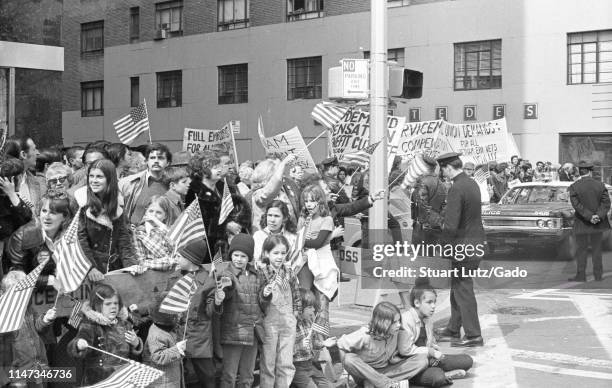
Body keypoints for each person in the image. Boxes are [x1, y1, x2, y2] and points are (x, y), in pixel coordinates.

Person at [435, 152, 484, 347]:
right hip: (475, 242)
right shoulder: (471, 183)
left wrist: (443, 247)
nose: (442, 173)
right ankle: (453, 329)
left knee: (463, 289)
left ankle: (473, 335)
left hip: (463, 246)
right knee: (458, 287)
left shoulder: (456, 188)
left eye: (442, 169)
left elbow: (451, 225)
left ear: (448, 168)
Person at [333, 301, 428, 388]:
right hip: (364, 372)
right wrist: (345, 373)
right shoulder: (364, 334)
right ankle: (386, 384)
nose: (398, 325)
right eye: (394, 322)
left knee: (422, 360)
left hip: (385, 370)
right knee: (349, 358)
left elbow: (407, 349)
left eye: (399, 321)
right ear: (383, 323)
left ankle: (374, 383)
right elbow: (341, 344)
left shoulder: (398, 332)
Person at [68, 283, 143, 386]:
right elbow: (76, 344)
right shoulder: (90, 325)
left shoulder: (125, 324)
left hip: (123, 379)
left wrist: (136, 343)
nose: (113, 307)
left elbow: (132, 353)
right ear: (98, 305)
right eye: (108, 304)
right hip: (99, 380)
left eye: (115, 303)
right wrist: (78, 344)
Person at [214, 234, 263, 388]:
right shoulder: (226, 273)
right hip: (233, 333)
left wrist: (267, 295)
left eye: (243, 256)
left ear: (249, 257)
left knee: (247, 376)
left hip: (253, 332)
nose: (239, 259)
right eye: (235, 255)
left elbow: (262, 301)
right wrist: (226, 286)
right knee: (229, 376)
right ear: (230, 254)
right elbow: (227, 290)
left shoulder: (256, 275)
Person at [402, 283, 473, 387]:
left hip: (430, 360)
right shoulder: (406, 320)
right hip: (413, 366)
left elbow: (430, 342)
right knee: (437, 378)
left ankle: (442, 373)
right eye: (429, 302)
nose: (433, 306)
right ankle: (443, 375)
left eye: (434, 302)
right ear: (417, 303)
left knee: (467, 360)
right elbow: (405, 350)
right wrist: (431, 352)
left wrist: (435, 348)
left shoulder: (428, 320)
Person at [78, 159, 138, 280]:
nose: (94, 181)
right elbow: (80, 240)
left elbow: (123, 239)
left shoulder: (117, 204)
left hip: (113, 267)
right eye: (91, 176)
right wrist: (90, 268)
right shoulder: (80, 201)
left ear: (110, 179)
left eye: (99, 177)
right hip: (88, 269)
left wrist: (131, 266)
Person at [7, 192, 73, 291]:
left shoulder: (72, 234)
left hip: (62, 296)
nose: (46, 217)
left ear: (65, 216)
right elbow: (14, 279)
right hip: (31, 297)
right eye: (44, 211)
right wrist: (49, 280)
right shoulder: (22, 236)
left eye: (53, 213)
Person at [2, 271, 57, 388]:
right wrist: (5, 380)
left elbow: (38, 327)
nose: (28, 294)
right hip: (17, 377)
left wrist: (45, 319)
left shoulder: (28, 309)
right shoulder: (3, 316)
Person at [259, 235, 302, 387]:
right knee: (268, 363)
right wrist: (265, 293)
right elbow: (259, 300)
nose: (280, 257)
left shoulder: (289, 272)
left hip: (288, 322)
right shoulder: (262, 273)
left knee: (286, 364)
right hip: (269, 324)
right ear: (266, 253)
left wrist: (295, 315)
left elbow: (297, 296)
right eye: (275, 253)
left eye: (283, 253)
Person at [175, 240, 218, 388]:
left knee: (207, 376)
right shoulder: (176, 277)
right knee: (180, 376)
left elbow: (210, 311)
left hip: (199, 337)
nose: (176, 259)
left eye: (179, 256)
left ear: (190, 259)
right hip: (178, 335)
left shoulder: (207, 280)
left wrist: (217, 300)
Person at [568, 161, 611, 282]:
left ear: (579, 172)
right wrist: (597, 216)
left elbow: (577, 205)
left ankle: (581, 275)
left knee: (581, 249)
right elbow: (606, 203)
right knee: (597, 249)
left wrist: (589, 216)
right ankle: (598, 275)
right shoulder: (600, 185)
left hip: (582, 222)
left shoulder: (574, 186)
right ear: (590, 171)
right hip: (598, 223)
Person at [120, 143, 171, 226]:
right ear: (147, 161)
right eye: (152, 158)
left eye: (161, 158)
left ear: (168, 162)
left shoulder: (174, 184)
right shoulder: (128, 183)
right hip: (133, 234)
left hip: (163, 235)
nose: (156, 161)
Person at [143, 292, 187, 388]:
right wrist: (177, 349)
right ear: (166, 314)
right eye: (176, 312)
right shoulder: (156, 334)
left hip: (173, 376)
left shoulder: (168, 327)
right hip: (163, 382)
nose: (180, 314)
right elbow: (158, 356)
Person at [292, 288, 333, 388]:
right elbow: (284, 351)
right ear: (300, 308)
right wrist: (300, 345)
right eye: (310, 307)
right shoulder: (292, 326)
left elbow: (313, 342)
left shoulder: (308, 323)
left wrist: (323, 343)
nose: (313, 310)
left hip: (310, 364)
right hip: (297, 367)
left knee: (328, 385)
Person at [250, 155, 300, 232]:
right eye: (278, 173)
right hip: (266, 238)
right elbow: (269, 191)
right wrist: (283, 164)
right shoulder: (258, 194)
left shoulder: (282, 190)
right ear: (267, 175)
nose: (282, 175)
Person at [133, 196, 177, 271]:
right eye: (151, 211)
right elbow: (141, 262)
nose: (153, 215)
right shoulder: (139, 233)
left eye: (159, 213)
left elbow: (177, 249)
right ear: (146, 211)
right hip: (149, 277)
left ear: (165, 216)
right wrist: (171, 261)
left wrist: (160, 225)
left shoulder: (168, 231)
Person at [411, 156, 447, 246]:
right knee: (431, 252)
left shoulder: (423, 182)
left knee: (421, 255)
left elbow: (421, 204)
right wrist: (439, 220)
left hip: (424, 225)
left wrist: (423, 222)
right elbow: (444, 205)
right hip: (436, 222)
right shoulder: (441, 183)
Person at [253, 200, 298, 266]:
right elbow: (258, 260)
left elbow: (294, 261)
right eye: (270, 215)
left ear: (284, 218)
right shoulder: (259, 236)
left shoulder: (292, 237)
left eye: (276, 216)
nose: (272, 220)